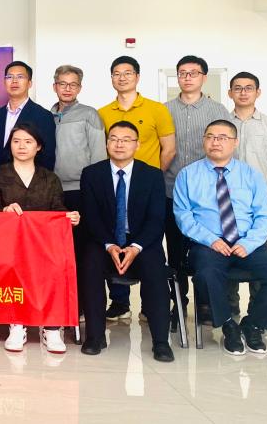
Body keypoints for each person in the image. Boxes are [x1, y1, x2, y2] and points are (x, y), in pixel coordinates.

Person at [175, 120, 267, 355]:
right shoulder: (187, 175)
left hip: (246, 243)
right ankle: (228, 325)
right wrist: (211, 240)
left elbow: (263, 216)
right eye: (210, 136)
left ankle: (253, 324)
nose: (216, 142)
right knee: (206, 275)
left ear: (235, 142)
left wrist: (248, 243)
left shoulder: (251, 175)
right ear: (204, 140)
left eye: (223, 137)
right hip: (208, 244)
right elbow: (183, 216)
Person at [78, 121, 174, 362]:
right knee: (89, 264)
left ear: (137, 145)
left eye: (126, 139)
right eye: (114, 139)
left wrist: (135, 247)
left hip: (141, 242)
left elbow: (156, 218)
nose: (119, 144)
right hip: (104, 240)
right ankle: (95, 336)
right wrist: (109, 245)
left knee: (155, 268)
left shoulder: (152, 175)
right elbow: (91, 216)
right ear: (107, 143)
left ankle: (161, 342)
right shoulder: (92, 174)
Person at [0, 123, 80, 354]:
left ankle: (52, 327)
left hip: (43, 246)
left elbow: (58, 211)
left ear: (39, 147)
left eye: (28, 142)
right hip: (8, 245)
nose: (22, 146)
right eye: (16, 141)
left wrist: (69, 217)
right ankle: (17, 323)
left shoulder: (50, 178)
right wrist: (4, 211)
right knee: (14, 265)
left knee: (56, 265)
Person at [97, 56, 176, 321]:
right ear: (111, 78)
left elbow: (169, 148)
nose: (122, 78)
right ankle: (119, 302)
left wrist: (149, 181)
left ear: (138, 77)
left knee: (148, 243)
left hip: (146, 191)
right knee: (114, 237)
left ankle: (148, 305)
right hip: (115, 188)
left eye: (127, 73)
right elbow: (102, 150)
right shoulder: (102, 113)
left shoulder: (156, 109)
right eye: (116, 73)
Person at [164, 56, 229, 325]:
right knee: (175, 253)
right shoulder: (164, 110)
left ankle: (205, 304)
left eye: (193, 73)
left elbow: (225, 149)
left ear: (204, 77)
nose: (187, 77)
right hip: (171, 191)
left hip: (208, 195)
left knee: (205, 250)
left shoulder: (218, 110)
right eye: (182, 73)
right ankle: (178, 304)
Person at [48, 64, 106, 323]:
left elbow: (99, 156)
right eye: (62, 83)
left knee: (82, 253)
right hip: (52, 193)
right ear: (54, 86)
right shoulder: (47, 115)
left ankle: (82, 306)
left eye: (73, 84)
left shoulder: (89, 115)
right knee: (57, 254)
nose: (67, 89)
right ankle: (60, 303)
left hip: (80, 192)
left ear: (80, 88)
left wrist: (95, 191)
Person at [227, 71, 267, 319]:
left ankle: (257, 311)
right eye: (238, 88)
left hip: (258, 204)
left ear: (257, 92)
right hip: (225, 203)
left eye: (248, 88)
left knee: (258, 255)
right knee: (227, 255)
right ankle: (230, 309)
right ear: (230, 93)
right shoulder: (222, 123)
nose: (243, 92)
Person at [0, 61, 56, 176]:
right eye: (9, 77)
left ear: (29, 83)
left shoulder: (43, 115)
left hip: (28, 181)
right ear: (4, 82)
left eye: (20, 77)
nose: (14, 81)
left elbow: (47, 157)